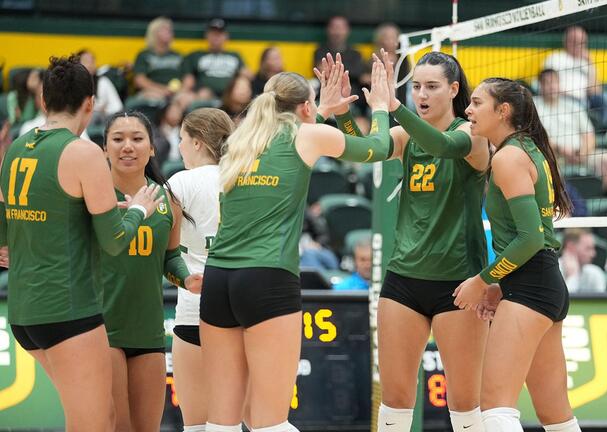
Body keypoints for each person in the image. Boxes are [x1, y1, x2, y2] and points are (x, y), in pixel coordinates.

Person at [200, 56, 393, 432]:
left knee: (221, 423)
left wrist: (321, 110)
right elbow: (379, 148)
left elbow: (291, 150)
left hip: (219, 280)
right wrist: (381, 107)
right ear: (305, 107)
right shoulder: (306, 135)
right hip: (267, 279)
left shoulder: (241, 141)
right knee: (270, 423)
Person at [331, 50, 490, 432]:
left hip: (459, 283)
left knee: (466, 405)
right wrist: (341, 114)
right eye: (416, 86)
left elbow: (442, 145)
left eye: (432, 87)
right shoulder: (406, 135)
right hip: (404, 279)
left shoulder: (472, 135)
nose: (423, 94)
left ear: (454, 90)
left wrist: (394, 106)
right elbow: (365, 150)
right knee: (394, 402)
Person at [0, 55, 161, 431]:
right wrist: (138, 210)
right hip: (68, 311)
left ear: (43, 100)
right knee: (92, 425)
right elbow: (115, 241)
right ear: (90, 103)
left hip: (23, 312)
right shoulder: (83, 152)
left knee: (99, 417)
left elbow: (4, 240)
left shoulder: (17, 147)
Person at [454, 77, 580, 432]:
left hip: (531, 287)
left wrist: (483, 280)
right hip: (543, 286)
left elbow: (530, 239)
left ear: (503, 110)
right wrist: (500, 285)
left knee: (495, 409)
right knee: (556, 416)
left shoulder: (508, 157)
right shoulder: (527, 149)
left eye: (477, 103)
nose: (468, 110)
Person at [98, 111, 202, 432]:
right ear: (104, 148)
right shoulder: (93, 197)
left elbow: (169, 258)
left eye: (137, 138)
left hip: (148, 332)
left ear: (152, 148)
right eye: (117, 139)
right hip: (101, 329)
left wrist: (185, 277)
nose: (127, 146)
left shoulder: (168, 200)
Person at [168, 108, 235, 431]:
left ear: (196, 142)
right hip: (241, 308)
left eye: (182, 139)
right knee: (253, 420)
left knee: (196, 426)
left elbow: (155, 245)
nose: (179, 146)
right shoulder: (247, 174)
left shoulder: (182, 182)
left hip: (195, 308)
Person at [534, 69, 607, 190]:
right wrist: (560, 149)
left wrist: (583, 153)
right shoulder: (534, 106)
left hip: (580, 154)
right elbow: (536, 138)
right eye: (547, 83)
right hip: (552, 156)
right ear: (540, 86)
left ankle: (599, 199)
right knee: (548, 166)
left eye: (554, 82)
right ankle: (560, 204)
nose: (552, 86)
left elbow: (589, 135)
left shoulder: (573, 105)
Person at [543, 26, 607, 126]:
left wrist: (590, 63)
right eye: (576, 42)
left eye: (582, 42)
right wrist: (568, 95)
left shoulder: (586, 62)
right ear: (567, 42)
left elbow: (595, 91)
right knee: (581, 104)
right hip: (563, 97)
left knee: (606, 98)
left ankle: (602, 131)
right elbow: (546, 84)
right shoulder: (555, 58)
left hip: (585, 99)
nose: (580, 46)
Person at [183, 18, 250, 99]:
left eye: (219, 34)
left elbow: (246, 75)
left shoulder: (235, 55)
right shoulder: (196, 55)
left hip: (230, 96)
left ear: (226, 36)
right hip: (204, 94)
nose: (216, 37)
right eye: (213, 34)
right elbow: (188, 81)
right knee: (200, 95)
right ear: (206, 35)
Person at [313, 16, 365, 112]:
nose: (337, 32)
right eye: (334, 28)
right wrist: (349, 72)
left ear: (347, 30)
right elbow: (321, 73)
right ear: (328, 30)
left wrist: (334, 70)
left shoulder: (356, 54)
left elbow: (358, 73)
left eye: (340, 28)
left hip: (352, 100)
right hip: (326, 98)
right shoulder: (320, 51)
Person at [133, 17, 185, 100]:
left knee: (184, 99)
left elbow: (187, 77)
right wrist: (162, 90)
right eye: (165, 30)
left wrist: (182, 90)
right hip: (151, 91)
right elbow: (140, 80)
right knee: (155, 98)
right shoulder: (144, 55)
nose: (170, 33)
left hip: (176, 92)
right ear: (154, 33)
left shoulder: (178, 55)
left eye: (170, 30)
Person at [78, 49, 123, 124]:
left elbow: (117, 106)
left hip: (105, 119)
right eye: (86, 61)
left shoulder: (103, 81)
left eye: (92, 61)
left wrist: (104, 111)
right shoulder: (73, 83)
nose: (90, 64)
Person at [559, 228, 606, 293]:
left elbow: (602, 302)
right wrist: (572, 277)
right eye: (588, 249)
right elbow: (563, 302)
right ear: (571, 247)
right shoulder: (552, 271)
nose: (593, 254)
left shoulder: (595, 273)